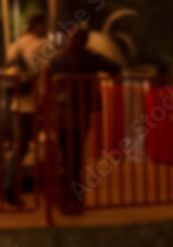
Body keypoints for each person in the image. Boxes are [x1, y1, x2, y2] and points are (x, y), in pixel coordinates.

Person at [50, 24, 121, 214]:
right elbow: (115, 67)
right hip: (81, 112)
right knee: (75, 156)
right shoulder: (91, 57)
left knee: (65, 156)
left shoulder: (57, 58)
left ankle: (64, 199)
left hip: (61, 111)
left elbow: (49, 83)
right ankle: (75, 199)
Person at [1, 12, 48, 206]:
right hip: (33, 103)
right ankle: (10, 188)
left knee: (21, 146)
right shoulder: (40, 46)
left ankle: (11, 187)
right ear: (37, 25)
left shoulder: (15, 45)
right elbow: (44, 75)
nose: (46, 29)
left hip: (16, 102)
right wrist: (45, 99)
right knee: (30, 147)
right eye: (44, 25)